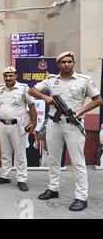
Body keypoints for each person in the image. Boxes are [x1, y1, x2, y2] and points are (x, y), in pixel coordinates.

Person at [29, 51, 102, 211]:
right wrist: (46, 98)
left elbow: (98, 100)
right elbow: (31, 90)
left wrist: (80, 111)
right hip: (54, 124)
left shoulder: (84, 80)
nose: (66, 64)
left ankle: (81, 197)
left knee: (78, 162)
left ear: (73, 63)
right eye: (63, 62)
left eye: (69, 61)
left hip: (73, 124)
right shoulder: (51, 80)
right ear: (58, 64)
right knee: (54, 159)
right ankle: (53, 189)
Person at [0, 66, 37, 192]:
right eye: (6, 76)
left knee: (20, 153)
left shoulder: (23, 88)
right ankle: (5, 175)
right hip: (2, 124)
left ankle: (22, 179)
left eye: (11, 75)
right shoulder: (1, 89)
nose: (8, 78)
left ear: (16, 76)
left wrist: (34, 123)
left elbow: (31, 106)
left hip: (17, 125)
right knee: (5, 152)